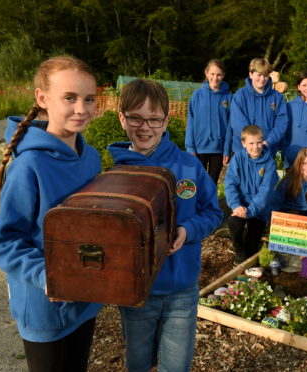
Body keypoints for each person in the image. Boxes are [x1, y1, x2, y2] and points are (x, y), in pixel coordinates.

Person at [0, 56, 101, 372]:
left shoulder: (90, 157)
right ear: (42, 99)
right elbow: (6, 243)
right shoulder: (29, 167)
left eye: (89, 98)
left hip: (86, 297)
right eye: (70, 98)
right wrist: (46, 277)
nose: (81, 108)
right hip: (45, 305)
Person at [107, 78, 222, 372]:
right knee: (139, 363)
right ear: (122, 119)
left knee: (176, 366)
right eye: (136, 118)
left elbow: (212, 211)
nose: (145, 127)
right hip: (136, 292)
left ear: (166, 120)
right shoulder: (114, 175)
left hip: (181, 288)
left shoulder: (188, 166)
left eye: (154, 119)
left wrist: (187, 229)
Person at [225, 124, 279, 264]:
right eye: (251, 143)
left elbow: (265, 192)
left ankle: (250, 246)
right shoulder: (238, 158)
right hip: (241, 205)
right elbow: (230, 183)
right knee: (233, 224)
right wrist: (236, 205)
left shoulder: (269, 163)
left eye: (259, 142)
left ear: (263, 141)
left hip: (259, 209)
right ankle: (239, 252)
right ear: (243, 143)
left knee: (251, 247)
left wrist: (250, 211)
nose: (255, 147)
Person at [185, 59, 233, 184]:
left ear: (223, 75)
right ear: (206, 73)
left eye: (219, 74)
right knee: (197, 182)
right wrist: (190, 148)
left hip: (218, 149)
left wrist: (227, 149)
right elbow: (190, 121)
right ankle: (195, 204)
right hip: (199, 148)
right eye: (212, 74)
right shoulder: (197, 96)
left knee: (212, 183)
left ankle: (210, 204)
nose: (215, 78)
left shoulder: (228, 97)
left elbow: (230, 126)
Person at [228, 57, 288, 156]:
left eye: (265, 75)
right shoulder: (240, 95)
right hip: (243, 151)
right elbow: (237, 122)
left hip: (267, 149)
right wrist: (253, 144)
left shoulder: (277, 97)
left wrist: (267, 142)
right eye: (259, 75)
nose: (262, 79)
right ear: (251, 74)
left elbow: (281, 123)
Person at [281, 71, 307, 170]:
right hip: (291, 158)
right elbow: (283, 129)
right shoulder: (290, 106)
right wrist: (287, 151)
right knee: (291, 185)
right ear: (299, 87)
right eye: (304, 85)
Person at [273, 147, 307, 216]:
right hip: (286, 213)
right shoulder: (288, 179)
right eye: (304, 163)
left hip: (305, 216)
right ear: (298, 163)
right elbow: (277, 200)